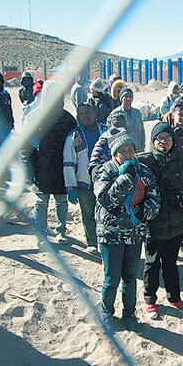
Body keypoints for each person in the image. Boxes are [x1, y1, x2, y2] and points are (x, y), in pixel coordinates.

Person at [93, 131, 160, 330]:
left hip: (134, 234)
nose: (129, 154)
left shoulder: (145, 172)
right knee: (111, 278)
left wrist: (142, 212)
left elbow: (155, 200)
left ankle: (129, 314)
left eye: (131, 150)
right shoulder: (105, 171)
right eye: (123, 151)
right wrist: (124, 179)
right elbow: (106, 201)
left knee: (130, 277)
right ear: (114, 153)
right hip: (110, 234)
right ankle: (107, 313)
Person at [136, 122, 183, 318]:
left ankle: (174, 297)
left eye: (168, 138)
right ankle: (150, 300)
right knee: (152, 263)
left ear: (174, 140)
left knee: (171, 263)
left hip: (177, 222)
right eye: (159, 138)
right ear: (153, 141)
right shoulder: (144, 161)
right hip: (154, 223)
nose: (163, 142)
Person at [23, 81, 77, 244]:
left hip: (62, 168)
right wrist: (28, 170)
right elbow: (26, 148)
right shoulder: (34, 117)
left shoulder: (68, 119)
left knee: (61, 201)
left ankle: (61, 232)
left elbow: (75, 147)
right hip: (41, 168)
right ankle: (41, 234)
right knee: (41, 202)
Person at [63, 101, 105, 249]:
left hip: (106, 181)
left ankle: (104, 242)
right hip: (84, 183)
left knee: (104, 214)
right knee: (88, 214)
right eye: (82, 114)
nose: (86, 116)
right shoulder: (74, 136)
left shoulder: (105, 131)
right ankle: (92, 242)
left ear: (94, 114)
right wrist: (70, 187)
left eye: (88, 112)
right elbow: (68, 162)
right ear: (78, 117)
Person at [90, 110, 129, 176]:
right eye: (116, 125)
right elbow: (93, 165)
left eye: (122, 125)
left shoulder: (128, 142)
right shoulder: (102, 143)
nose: (119, 128)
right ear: (109, 127)